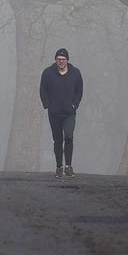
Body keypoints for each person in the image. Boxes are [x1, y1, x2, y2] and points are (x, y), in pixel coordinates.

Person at [39, 48, 83, 178]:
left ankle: (68, 167)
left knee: (68, 137)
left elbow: (79, 90)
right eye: (58, 59)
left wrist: (75, 104)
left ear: (67, 60)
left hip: (69, 113)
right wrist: (47, 104)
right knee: (57, 140)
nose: (61, 61)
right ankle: (59, 167)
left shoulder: (75, 73)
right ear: (55, 60)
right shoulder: (48, 73)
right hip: (54, 113)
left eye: (63, 59)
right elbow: (43, 90)